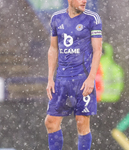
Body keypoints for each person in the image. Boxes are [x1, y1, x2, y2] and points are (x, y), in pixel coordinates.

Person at [45, 0, 102, 149]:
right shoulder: (56, 18)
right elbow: (53, 49)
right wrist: (50, 78)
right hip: (61, 80)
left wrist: (91, 78)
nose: (85, 1)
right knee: (50, 122)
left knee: (81, 122)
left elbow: (97, 51)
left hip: (82, 79)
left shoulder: (92, 18)